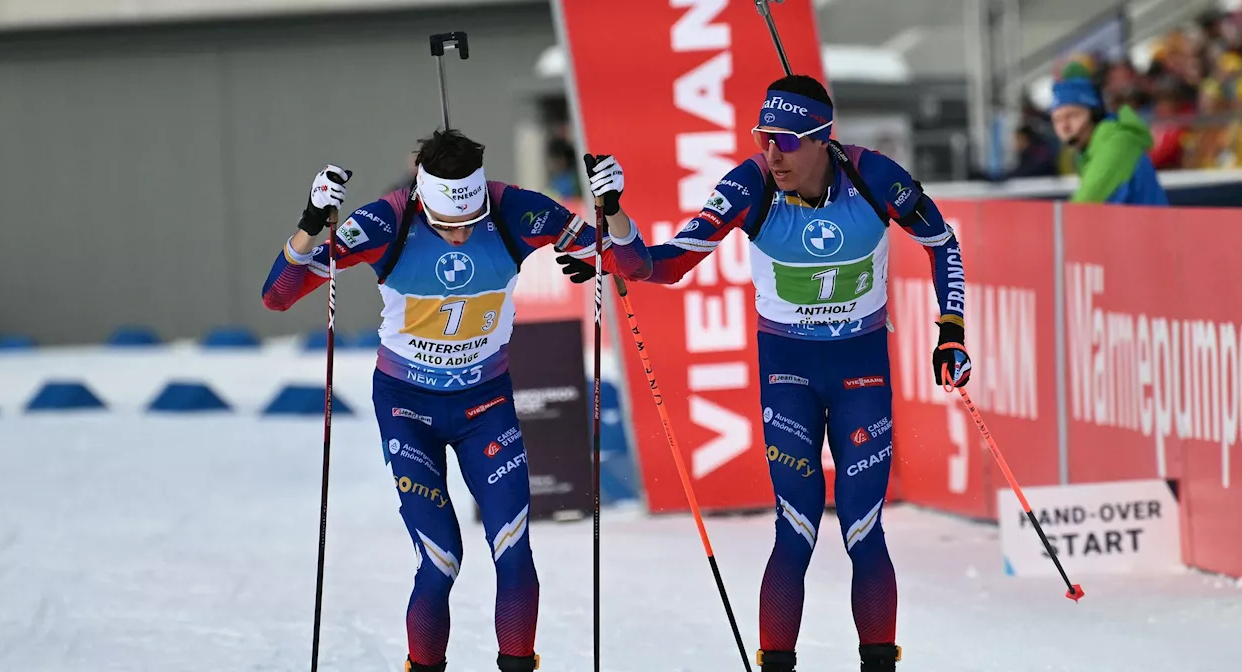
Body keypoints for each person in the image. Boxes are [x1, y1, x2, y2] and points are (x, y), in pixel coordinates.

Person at [557, 74, 971, 672]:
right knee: (796, 525)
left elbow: (942, 242)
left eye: (786, 140)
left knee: (863, 527)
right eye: (763, 137)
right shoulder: (750, 185)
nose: (772, 153)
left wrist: (951, 327)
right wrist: (614, 225)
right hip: (790, 373)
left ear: (822, 140)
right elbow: (661, 265)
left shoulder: (873, 176)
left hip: (861, 372)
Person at [263, 129, 652, 672]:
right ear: (423, 199)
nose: (458, 237)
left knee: (513, 548)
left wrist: (611, 210)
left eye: (469, 223)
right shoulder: (387, 221)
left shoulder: (517, 210)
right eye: (445, 224)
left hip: (484, 406)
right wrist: (310, 222)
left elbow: (632, 265)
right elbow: (278, 295)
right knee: (442, 559)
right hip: (407, 407)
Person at [1050, 62, 1170, 205]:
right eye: (1057, 120)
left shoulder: (1116, 142)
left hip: (1150, 227)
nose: (1065, 127)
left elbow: (1085, 203)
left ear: (1095, 115)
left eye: (1073, 116)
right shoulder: (1086, 152)